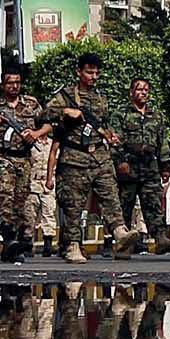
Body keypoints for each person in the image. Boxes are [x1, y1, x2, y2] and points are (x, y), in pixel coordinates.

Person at [46, 58, 114, 263]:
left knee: (109, 196)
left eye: (96, 73)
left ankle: (118, 232)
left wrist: (111, 135)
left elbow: (105, 125)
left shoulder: (101, 98)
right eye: (89, 72)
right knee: (73, 206)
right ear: (79, 72)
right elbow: (44, 114)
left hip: (97, 158)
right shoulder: (65, 95)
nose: (93, 77)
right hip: (73, 159)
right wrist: (65, 111)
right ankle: (72, 245)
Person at [0, 64, 43, 261]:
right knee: (4, 197)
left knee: (20, 202)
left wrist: (35, 134)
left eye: (17, 83)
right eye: (10, 83)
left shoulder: (32, 104)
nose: (14, 86)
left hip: (23, 158)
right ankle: (7, 239)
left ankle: (14, 241)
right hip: (1, 157)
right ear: (2, 85)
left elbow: (49, 123)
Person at [112, 76, 168, 254]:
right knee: (125, 205)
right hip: (129, 166)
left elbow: (162, 141)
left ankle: (160, 238)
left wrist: (165, 165)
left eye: (146, 90)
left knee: (153, 203)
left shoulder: (156, 115)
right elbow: (115, 141)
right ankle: (123, 245)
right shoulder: (121, 114)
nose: (143, 93)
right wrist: (120, 161)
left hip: (150, 166)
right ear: (131, 92)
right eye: (139, 89)